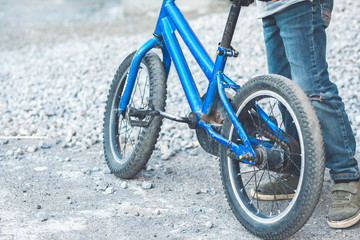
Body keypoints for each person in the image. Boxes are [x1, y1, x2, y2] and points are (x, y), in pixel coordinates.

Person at [248, 0, 360, 229]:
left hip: (300, 4)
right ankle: (297, 167)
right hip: (270, 8)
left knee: (315, 90)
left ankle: (347, 176)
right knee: (286, 92)